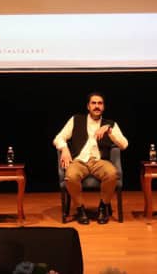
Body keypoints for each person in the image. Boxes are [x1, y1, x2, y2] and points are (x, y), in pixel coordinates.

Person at [53, 92, 128, 225]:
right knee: (70, 176)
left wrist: (109, 131)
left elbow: (124, 145)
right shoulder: (76, 120)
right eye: (93, 103)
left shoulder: (110, 124)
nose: (97, 106)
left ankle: (103, 207)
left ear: (103, 107)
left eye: (100, 103)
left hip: (99, 161)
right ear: (88, 106)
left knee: (112, 174)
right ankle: (80, 208)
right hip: (79, 161)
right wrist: (64, 148)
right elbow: (58, 138)